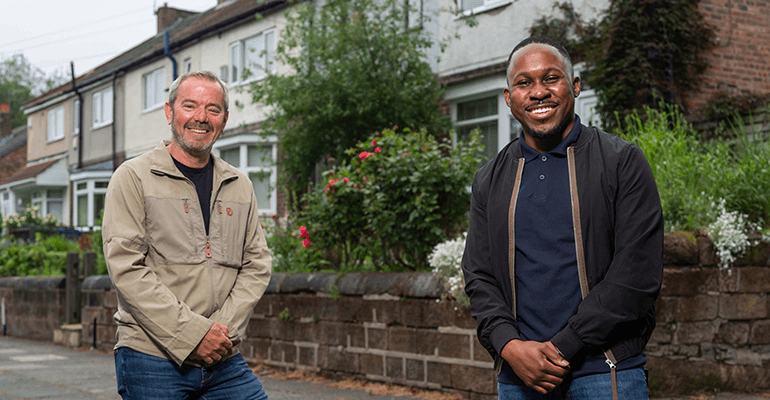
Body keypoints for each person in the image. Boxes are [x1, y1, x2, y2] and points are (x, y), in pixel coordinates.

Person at [461, 37, 663, 400]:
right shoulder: (489, 179)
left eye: (551, 79)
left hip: (606, 372)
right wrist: (509, 347)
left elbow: (636, 275)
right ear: (510, 98)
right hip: (519, 377)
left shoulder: (621, 162)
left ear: (576, 86)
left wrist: (561, 348)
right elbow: (479, 275)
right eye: (524, 83)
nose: (538, 92)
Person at [102, 70, 272, 399]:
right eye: (190, 105)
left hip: (223, 358)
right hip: (151, 356)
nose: (201, 118)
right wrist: (193, 334)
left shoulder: (240, 185)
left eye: (213, 109)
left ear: (224, 118)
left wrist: (220, 332)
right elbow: (127, 268)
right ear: (170, 112)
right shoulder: (134, 177)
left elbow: (257, 264)